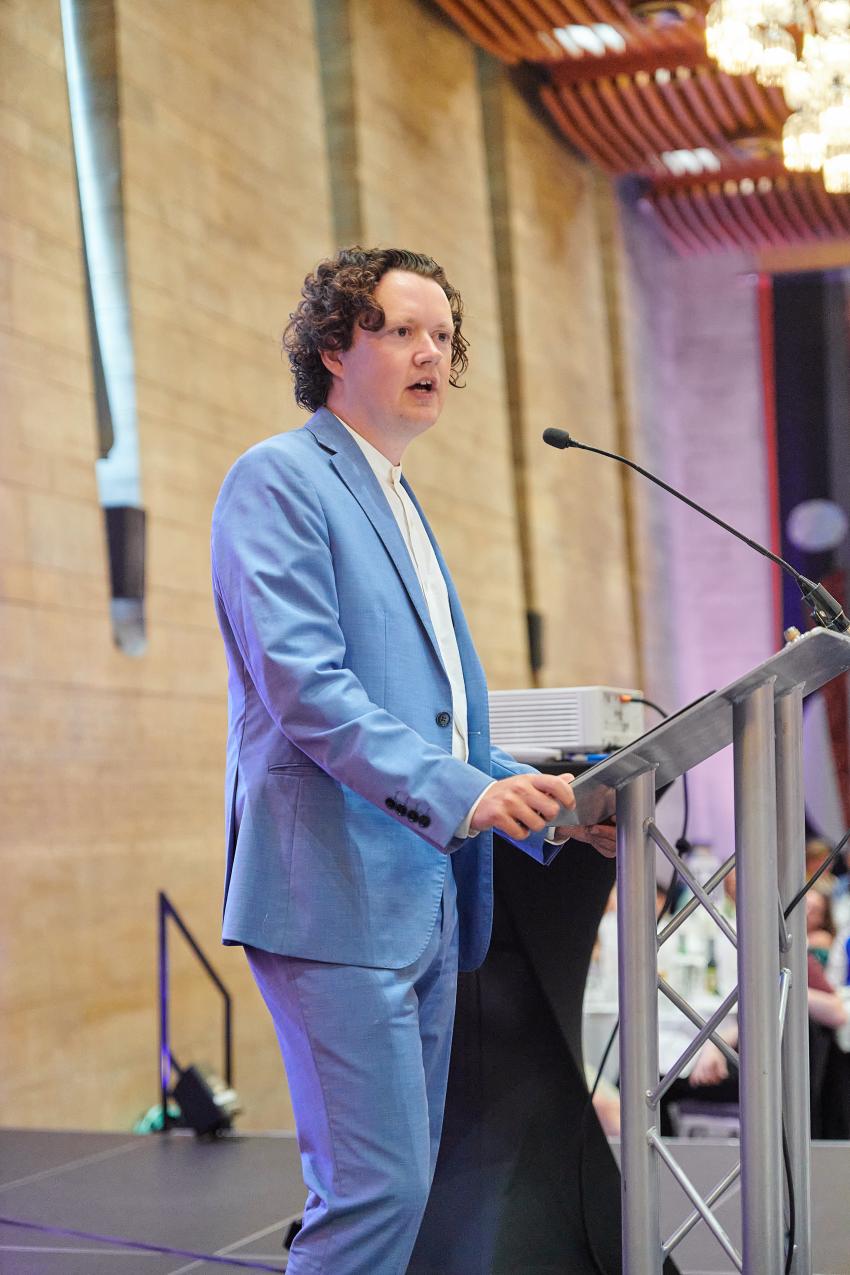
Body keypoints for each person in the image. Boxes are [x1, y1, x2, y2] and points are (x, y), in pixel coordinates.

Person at [210, 246, 616, 1274]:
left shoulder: (396, 496)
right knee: (373, 1194)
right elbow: (308, 690)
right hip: (329, 890)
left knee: (399, 1190)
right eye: (400, 331)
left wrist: (557, 816)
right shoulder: (280, 478)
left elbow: (447, 728)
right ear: (332, 349)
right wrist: (468, 794)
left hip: (421, 898)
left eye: (442, 335)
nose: (431, 353)